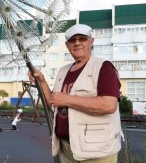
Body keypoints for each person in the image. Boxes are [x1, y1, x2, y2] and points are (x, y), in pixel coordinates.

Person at [28, 23, 123, 163]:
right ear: (67, 46)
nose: (77, 43)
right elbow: (54, 103)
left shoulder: (103, 67)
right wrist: (42, 81)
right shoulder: (63, 71)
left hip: (97, 151)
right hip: (68, 149)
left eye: (82, 38)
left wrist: (67, 99)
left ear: (91, 41)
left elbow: (108, 105)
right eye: (73, 40)